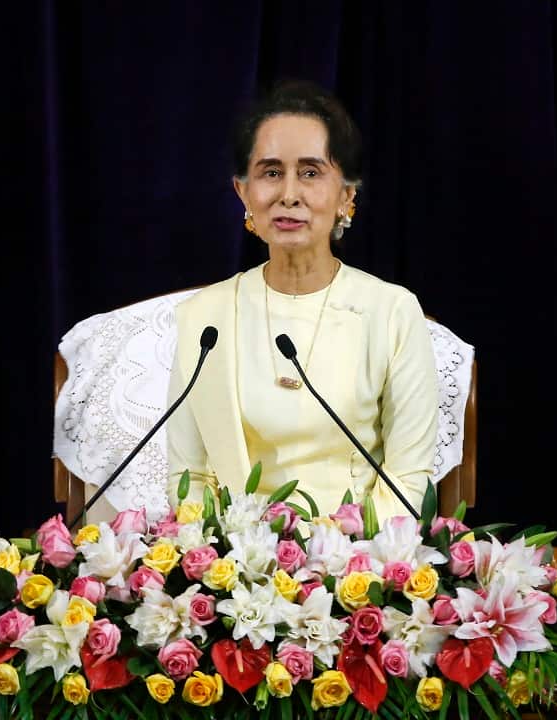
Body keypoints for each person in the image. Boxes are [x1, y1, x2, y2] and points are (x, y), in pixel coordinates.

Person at [167, 80, 438, 520]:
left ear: (346, 195)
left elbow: (408, 481)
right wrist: (230, 553)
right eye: (271, 173)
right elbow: (190, 479)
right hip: (235, 555)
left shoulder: (391, 313)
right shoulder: (205, 320)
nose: (289, 194)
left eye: (310, 173)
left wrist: (341, 553)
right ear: (243, 192)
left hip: (361, 554)